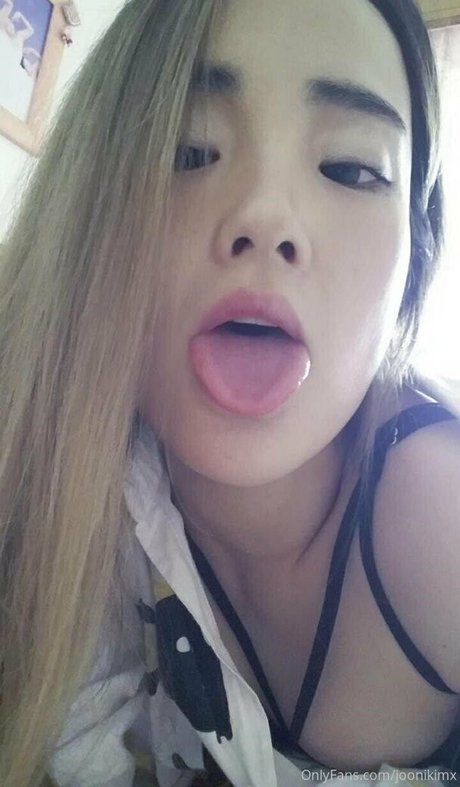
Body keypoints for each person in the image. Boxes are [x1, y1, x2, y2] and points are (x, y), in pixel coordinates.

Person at [1, 0, 460, 785]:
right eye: (190, 151)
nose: (264, 216)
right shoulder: (57, 475)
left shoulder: (440, 515)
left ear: (415, 260)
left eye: (352, 167)